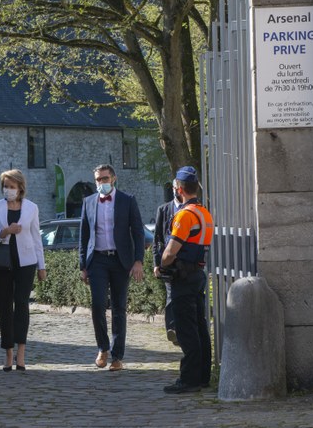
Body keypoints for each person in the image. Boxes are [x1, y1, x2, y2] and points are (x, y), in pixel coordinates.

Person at [79, 164, 145, 372]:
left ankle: (117, 356)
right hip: (97, 259)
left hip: (120, 260)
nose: (101, 183)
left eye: (105, 179)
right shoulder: (88, 202)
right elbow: (84, 235)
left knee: (119, 308)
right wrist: (83, 265)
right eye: (98, 179)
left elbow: (138, 232)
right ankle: (102, 348)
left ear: (114, 179)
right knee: (98, 304)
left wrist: (138, 261)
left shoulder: (127, 200)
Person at [0, 169, 46, 371]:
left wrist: (41, 266)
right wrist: (5, 232)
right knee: (3, 306)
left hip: (25, 261)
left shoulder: (31, 208)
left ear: (20, 188)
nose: (8, 190)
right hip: (2, 262)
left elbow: (37, 238)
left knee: (21, 305)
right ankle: (8, 352)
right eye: (5, 186)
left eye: (11, 186)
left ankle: (21, 353)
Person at [159, 166, 214, 394]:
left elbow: (171, 250)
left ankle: (189, 379)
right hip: (198, 273)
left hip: (182, 275)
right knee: (200, 327)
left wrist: (162, 263)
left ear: (179, 189)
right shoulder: (204, 213)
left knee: (186, 329)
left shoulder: (185, 215)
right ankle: (202, 376)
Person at [153, 181, 182, 345]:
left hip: (186, 260)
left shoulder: (191, 208)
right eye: (175, 188)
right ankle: (172, 329)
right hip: (168, 261)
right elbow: (157, 238)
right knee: (171, 295)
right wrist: (157, 263)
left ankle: (182, 328)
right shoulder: (164, 210)